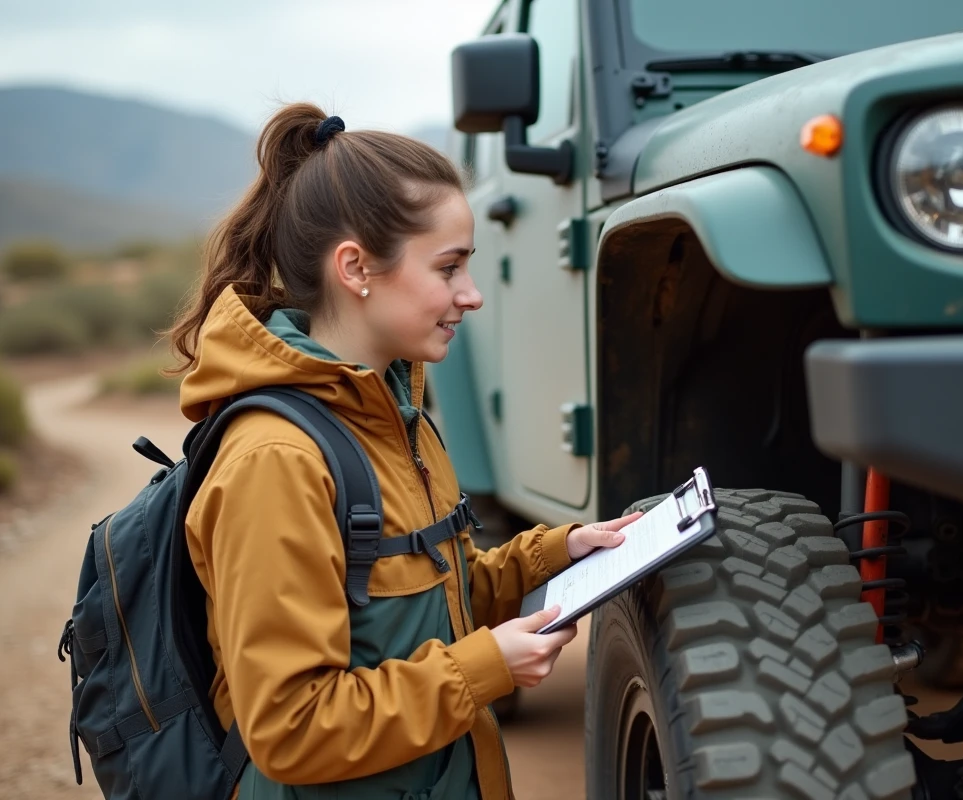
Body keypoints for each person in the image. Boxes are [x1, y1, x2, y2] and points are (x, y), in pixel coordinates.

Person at [167, 103, 642, 800]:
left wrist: (557, 553)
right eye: (448, 268)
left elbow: (423, 599)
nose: (471, 296)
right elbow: (292, 727)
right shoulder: (275, 462)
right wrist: (485, 667)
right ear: (356, 268)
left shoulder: (397, 414)